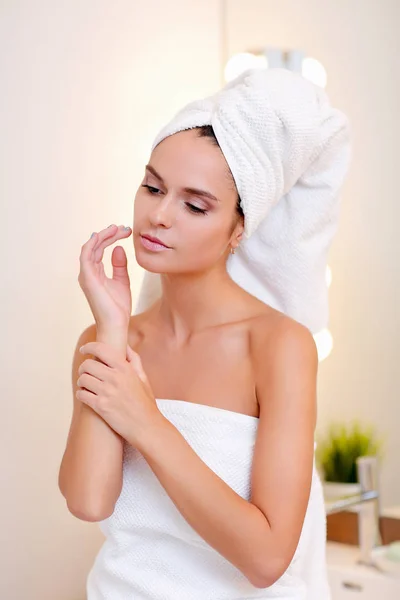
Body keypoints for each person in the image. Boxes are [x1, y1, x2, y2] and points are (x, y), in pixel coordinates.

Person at [58, 68, 350, 599]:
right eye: (152, 187)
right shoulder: (105, 340)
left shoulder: (279, 346)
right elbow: (88, 501)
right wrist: (113, 331)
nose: (159, 216)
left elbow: (266, 560)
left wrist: (145, 421)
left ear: (239, 228)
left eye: (194, 205)